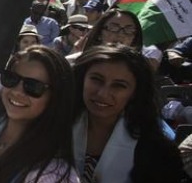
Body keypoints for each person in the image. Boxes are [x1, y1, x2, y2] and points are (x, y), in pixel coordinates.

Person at [0, 46, 78, 182]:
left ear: (56, 97)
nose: (17, 91)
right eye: (11, 78)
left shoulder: (54, 174)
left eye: (33, 86)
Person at [72, 44, 184, 182]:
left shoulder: (157, 151)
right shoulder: (52, 127)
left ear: (135, 92)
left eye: (119, 85)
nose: (103, 93)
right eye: (96, 79)